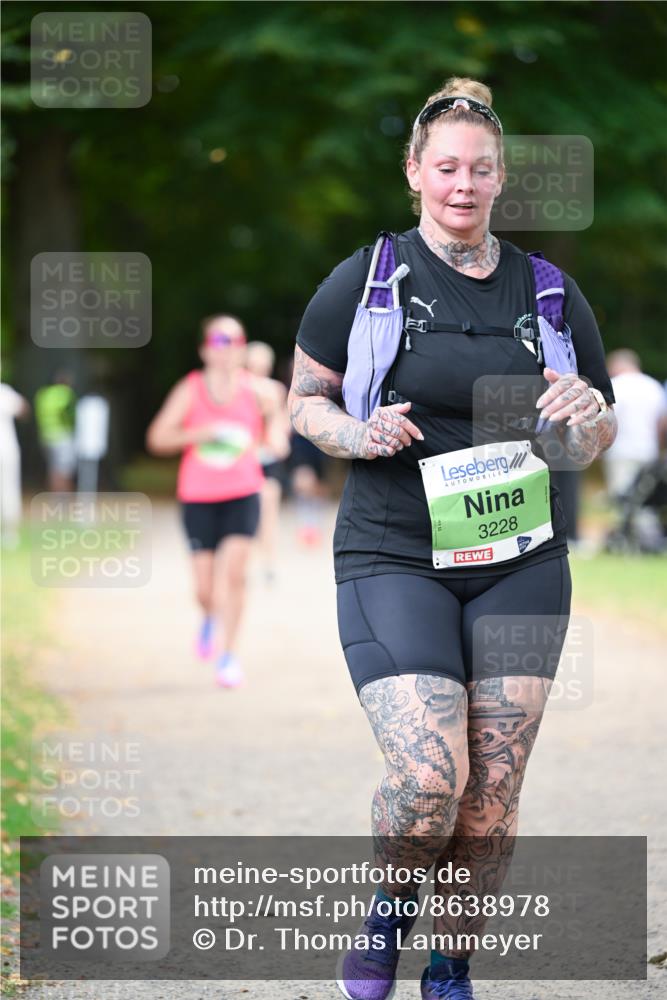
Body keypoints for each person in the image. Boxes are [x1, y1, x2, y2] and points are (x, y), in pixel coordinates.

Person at [288, 78, 617, 1000]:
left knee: (491, 794)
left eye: (478, 169)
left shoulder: (549, 293)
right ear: (414, 173)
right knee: (431, 776)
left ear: (499, 178)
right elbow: (304, 402)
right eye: (445, 168)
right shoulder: (368, 278)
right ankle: (392, 908)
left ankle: (450, 964)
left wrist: (583, 415)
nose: (461, 184)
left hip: (521, 561)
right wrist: (356, 433)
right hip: (394, 551)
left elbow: (592, 436)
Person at [146, 315, 281, 688]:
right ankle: (209, 616)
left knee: (235, 576)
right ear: (205, 349)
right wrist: (198, 433)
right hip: (198, 497)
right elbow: (157, 438)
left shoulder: (259, 392)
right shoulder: (190, 389)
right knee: (205, 590)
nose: (227, 348)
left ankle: (228, 655)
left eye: (234, 341)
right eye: (219, 341)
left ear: (242, 348)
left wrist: (272, 417)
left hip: (243, 493)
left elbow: (277, 445)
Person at [244, 341, 291, 582]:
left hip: (268, 456)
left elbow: (282, 425)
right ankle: (245, 561)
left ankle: (268, 562)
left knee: (269, 510)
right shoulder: (239, 387)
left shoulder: (275, 389)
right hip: (245, 458)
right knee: (246, 513)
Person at [603, 349, 667, 498]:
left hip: (620, 451)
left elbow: (607, 421)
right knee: (646, 500)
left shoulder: (614, 386)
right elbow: (662, 423)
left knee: (622, 500)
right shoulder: (653, 386)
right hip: (649, 451)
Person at [34, 371, 77, 492]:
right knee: (65, 470)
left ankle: (55, 498)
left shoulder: (43, 394)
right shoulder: (65, 393)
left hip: (45, 436)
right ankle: (64, 499)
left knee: (53, 470)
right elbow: (69, 413)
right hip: (62, 436)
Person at [0, 381, 30, 548]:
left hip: (6, 449)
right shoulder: (3, 391)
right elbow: (23, 409)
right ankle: (10, 533)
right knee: (8, 490)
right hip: (7, 449)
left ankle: (10, 532)